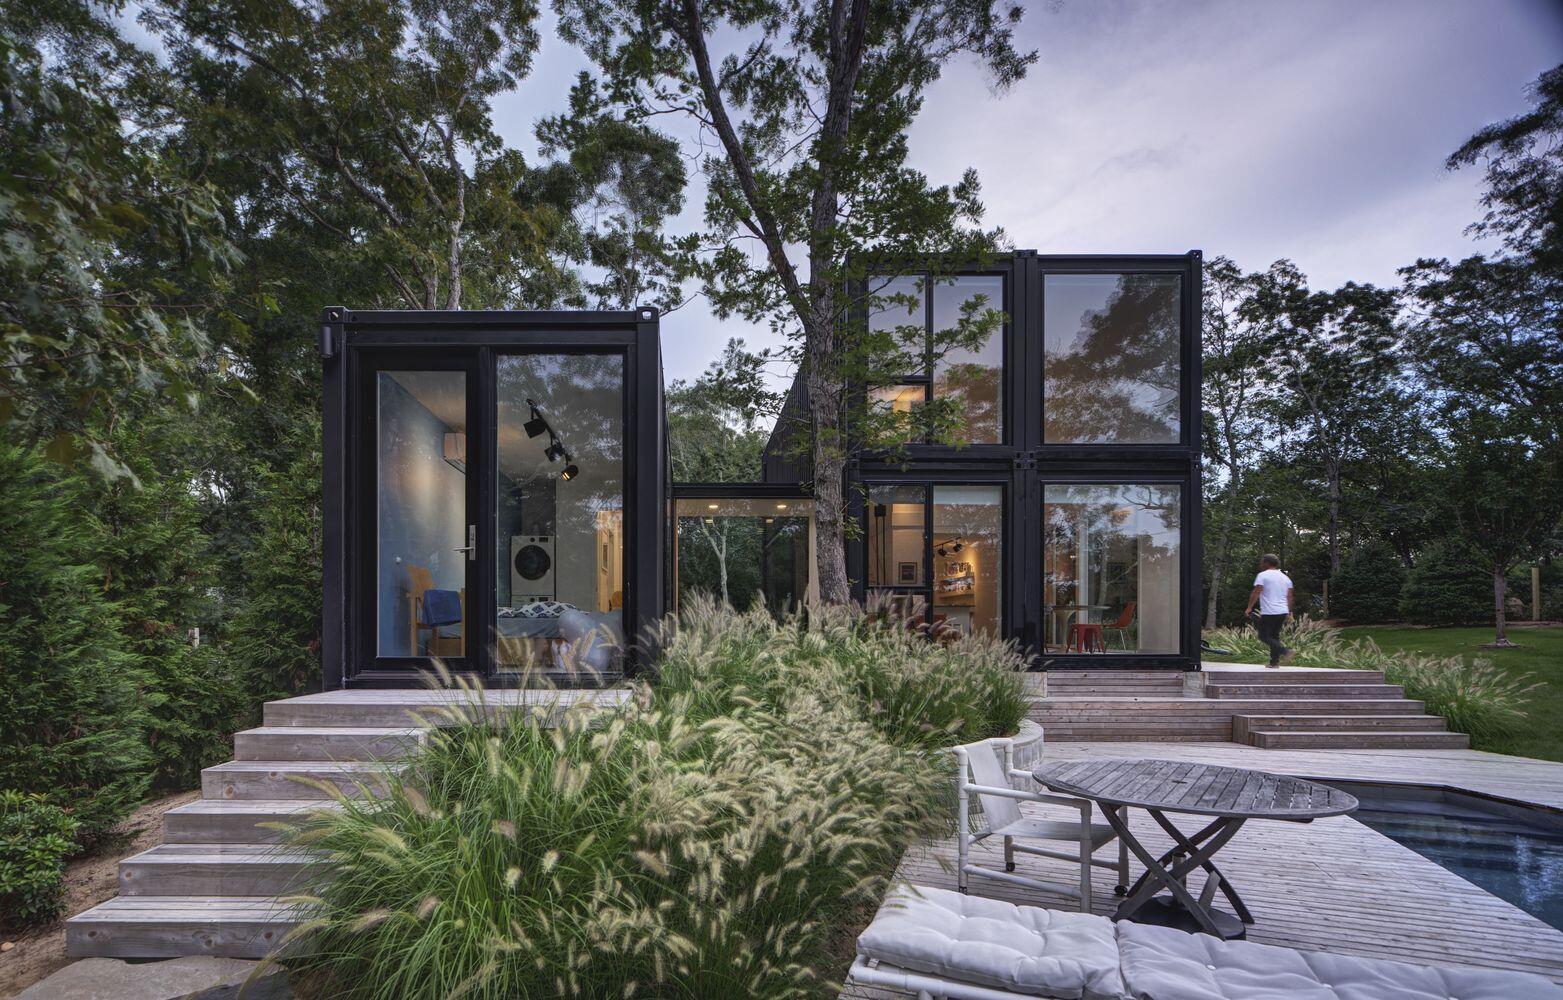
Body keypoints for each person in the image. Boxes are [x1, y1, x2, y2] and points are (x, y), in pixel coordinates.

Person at [1244, 554, 1294, 667]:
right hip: (1282, 611)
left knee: (1264, 636)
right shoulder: (1285, 577)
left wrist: (1249, 607)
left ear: (1267, 563)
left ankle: (1285, 651)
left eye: (1262, 562)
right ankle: (1274, 663)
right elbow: (1290, 596)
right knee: (1274, 636)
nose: (1261, 564)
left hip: (1270, 611)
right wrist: (1289, 612)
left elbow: (1256, 592)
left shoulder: (1263, 576)